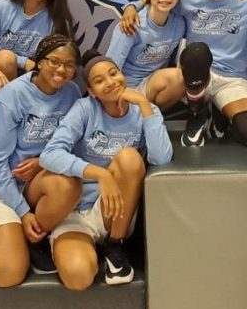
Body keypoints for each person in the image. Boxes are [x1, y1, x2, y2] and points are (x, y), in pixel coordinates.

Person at [0, 35, 82, 286]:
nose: (61, 70)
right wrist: (22, 211)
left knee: (68, 184)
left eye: (68, 65)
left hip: (37, 180)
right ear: (40, 63)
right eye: (54, 61)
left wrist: (44, 161)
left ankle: (34, 238)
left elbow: (73, 143)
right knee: (8, 274)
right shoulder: (12, 97)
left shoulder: (72, 93)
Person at [37, 50, 173, 289]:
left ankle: (115, 247)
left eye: (114, 74)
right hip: (76, 209)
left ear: (123, 75)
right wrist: (99, 174)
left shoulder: (145, 110)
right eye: (99, 81)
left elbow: (161, 158)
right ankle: (71, 247)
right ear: (91, 91)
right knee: (78, 278)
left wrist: (143, 103)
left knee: (130, 158)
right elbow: (49, 155)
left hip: (114, 211)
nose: (110, 83)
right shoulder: (84, 109)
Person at [120, 0, 247, 148]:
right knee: (198, 52)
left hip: (230, 79)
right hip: (196, 75)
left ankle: (219, 113)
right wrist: (131, 6)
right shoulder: (187, 0)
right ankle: (197, 115)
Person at [105, 0, 212, 147]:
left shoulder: (179, 23)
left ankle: (150, 118)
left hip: (153, 87)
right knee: (175, 76)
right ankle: (134, 119)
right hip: (126, 88)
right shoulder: (132, 24)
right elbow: (110, 68)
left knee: (180, 76)